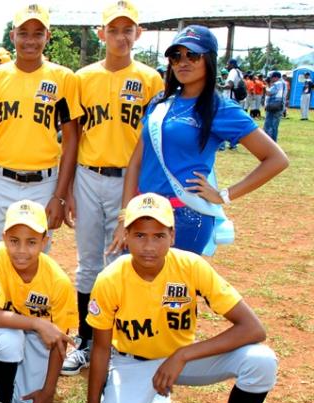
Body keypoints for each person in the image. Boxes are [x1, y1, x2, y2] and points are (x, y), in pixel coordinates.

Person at [75, 193, 277, 403]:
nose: (149, 245)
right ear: (125, 236)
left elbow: (253, 329)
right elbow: (101, 350)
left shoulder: (191, 266)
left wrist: (182, 355)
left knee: (261, 362)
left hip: (183, 360)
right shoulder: (110, 279)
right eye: (139, 235)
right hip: (131, 363)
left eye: (159, 235)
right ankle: (123, 400)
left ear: (173, 235)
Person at [116, 26, 288, 256]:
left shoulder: (220, 109)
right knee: (137, 288)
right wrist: (126, 213)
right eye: (176, 56)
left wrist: (224, 195)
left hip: (186, 216)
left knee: (175, 289)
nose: (183, 62)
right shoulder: (159, 103)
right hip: (144, 214)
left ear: (209, 60)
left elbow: (276, 159)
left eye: (193, 55)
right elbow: (136, 162)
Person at [64, 0, 164, 378]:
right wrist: (69, 187)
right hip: (89, 176)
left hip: (131, 179)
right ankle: (88, 342)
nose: (121, 36)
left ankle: (122, 343)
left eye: (128, 29)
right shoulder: (82, 77)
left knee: (123, 262)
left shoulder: (151, 79)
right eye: (114, 29)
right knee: (89, 262)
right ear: (100, 33)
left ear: (138, 33)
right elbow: (73, 137)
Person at [0, 3, 81, 248]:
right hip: (2, 181)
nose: (30, 40)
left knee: (38, 261)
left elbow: (71, 140)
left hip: (44, 183)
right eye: (23, 33)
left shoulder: (63, 77)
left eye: (38, 33)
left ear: (48, 36)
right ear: (12, 36)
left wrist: (60, 196)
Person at [0, 200, 75, 403]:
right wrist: (37, 323)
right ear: (4, 237)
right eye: (14, 241)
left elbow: (59, 342)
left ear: (44, 242)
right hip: (7, 325)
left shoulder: (58, 282)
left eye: (31, 242)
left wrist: (49, 391)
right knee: (8, 341)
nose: (21, 250)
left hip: (41, 338)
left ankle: (1, 364)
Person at [264, 71, 287, 141]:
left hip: (273, 105)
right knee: (275, 126)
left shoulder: (277, 83)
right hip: (280, 105)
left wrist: (266, 87)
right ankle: (274, 142)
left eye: (272, 78)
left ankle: (268, 141)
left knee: (268, 124)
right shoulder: (284, 84)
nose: (271, 79)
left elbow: (269, 93)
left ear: (276, 77)